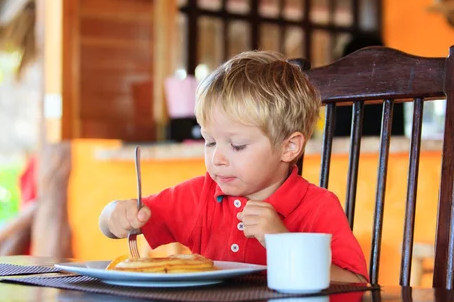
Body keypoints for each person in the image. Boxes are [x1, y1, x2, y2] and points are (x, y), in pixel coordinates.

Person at [99, 50, 368, 283]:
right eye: (210, 142)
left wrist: (282, 243)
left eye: (237, 146)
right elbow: (131, 219)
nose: (217, 159)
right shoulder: (200, 195)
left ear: (289, 147)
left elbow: (356, 284)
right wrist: (115, 216)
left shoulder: (317, 207)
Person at [333, 33, 405, 137]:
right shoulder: (392, 90)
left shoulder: (344, 92)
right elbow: (397, 134)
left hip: (343, 151)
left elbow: (338, 136)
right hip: (390, 150)